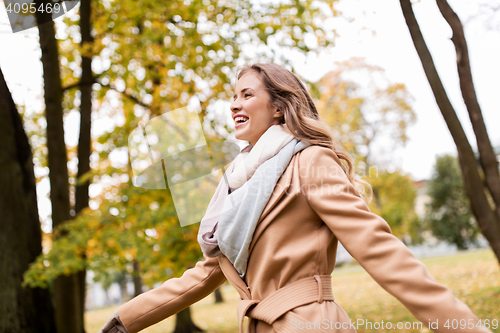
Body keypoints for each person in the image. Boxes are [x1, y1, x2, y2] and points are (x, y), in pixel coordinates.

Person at [99, 63, 493, 333]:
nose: (234, 104)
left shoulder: (311, 161)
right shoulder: (236, 185)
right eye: (232, 96)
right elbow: (206, 273)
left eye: (246, 94)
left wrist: (463, 325)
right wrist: (125, 320)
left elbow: (381, 251)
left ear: (277, 106)